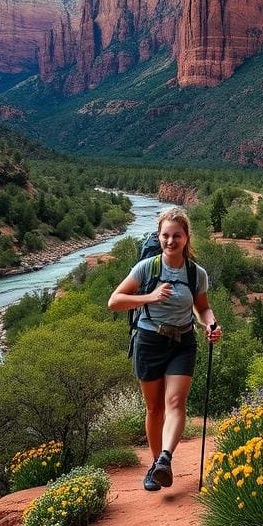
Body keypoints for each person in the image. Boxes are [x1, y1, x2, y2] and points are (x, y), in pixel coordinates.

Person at [108, 208, 221, 491]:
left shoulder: (196, 273)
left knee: (175, 403)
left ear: (186, 238)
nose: (171, 241)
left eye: (177, 236)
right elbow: (115, 301)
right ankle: (155, 463)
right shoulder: (148, 268)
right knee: (154, 408)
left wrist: (211, 324)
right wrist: (151, 296)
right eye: (166, 235)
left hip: (183, 342)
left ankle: (165, 460)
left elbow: (202, 307)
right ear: (159, 237)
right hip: (149, 340)